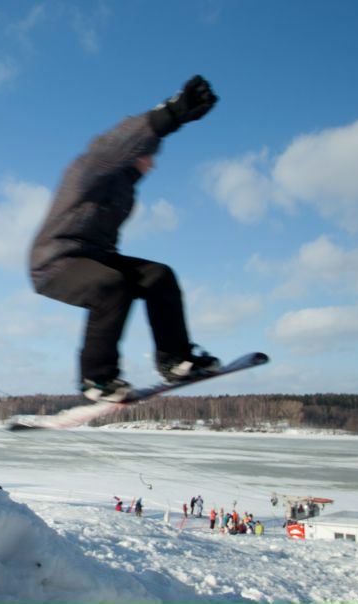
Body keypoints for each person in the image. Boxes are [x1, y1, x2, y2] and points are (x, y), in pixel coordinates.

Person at [29, 76, 222, 402]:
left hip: (94, 258)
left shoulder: (124, 190)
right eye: (149, 154)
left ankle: (175, 360)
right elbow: (112, 145)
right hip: (54, 262)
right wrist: (169, 116)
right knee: (111, 286)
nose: (153, 163)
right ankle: (96, 378)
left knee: (159, 276)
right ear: (135, 152)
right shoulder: (93, 169)